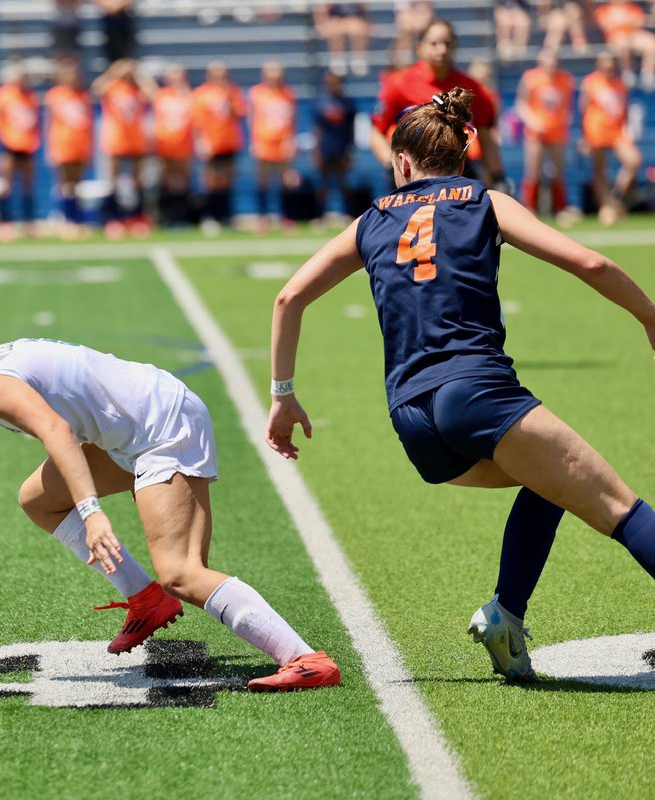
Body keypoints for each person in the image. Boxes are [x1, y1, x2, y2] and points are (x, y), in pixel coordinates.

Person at [265, 88, 655, 684]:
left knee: (550, 481)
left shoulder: (372, 218)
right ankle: (505, 613)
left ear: (401, 162)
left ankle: (506, 616)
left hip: (412, 419)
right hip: (476, 391)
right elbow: (591, 263)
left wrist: (282, 394)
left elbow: (289, 296)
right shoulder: (483, 200)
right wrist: (650, 317)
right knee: (621, 509)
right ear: (463, 155)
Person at [0, 288, 342, 693]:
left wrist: (93, 513)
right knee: (37, 498)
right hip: (137, 426)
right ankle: (145, 599)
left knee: (182, 572)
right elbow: (67, 427)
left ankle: (305, 658)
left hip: (160, 426)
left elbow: (56, 432)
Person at [371, 19, 504, 190]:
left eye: (447, 43)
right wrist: (392, 167)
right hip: (413, 171)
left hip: (457, 171)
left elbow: (486, 137)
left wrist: (498, 176)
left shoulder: (470, 88)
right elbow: (376, 133)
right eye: (434, 43)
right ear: (420, 47)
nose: (441, 50)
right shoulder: (398, 83)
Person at [92, 58, 154, 238]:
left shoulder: (137, 88)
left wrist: (139, 74)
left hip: (136, 140)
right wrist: (113, 73)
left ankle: (136, 217)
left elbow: (152, 93)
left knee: (137, 181)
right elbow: (97, 89)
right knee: (113, 181)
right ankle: (113, 218)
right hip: (116, 140)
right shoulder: (113, 86)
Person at [580, 52, 642, 226]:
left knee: (633, 161)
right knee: (600, 172)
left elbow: (625, 110)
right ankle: (605, 207)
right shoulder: (591, 82)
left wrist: (626, 128)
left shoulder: (620, 85)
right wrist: (585, 136)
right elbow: (584, 109)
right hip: (596, 129)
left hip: (616, 131)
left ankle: (616, 197)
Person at [0, 62, 41, 241]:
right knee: (6, 186)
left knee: (27, 186)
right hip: (8, 145)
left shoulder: (31, 95)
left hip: (27, 145)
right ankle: (4, 222)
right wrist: (4, 138)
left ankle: (29, 222)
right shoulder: (1, 95)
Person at [516, 50, 574, 217]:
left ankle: (560, 209)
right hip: (536, 132)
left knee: (558, 171)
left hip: (557, 131)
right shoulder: (531, 78)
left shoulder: (565, 80)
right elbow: (521, 104)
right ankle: (530, 208)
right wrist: (533, 120)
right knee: (533, 171)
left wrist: (564, 118)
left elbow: (567, 105)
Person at [191, 61, 246, 232]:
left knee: (228, 181)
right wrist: (201, 141)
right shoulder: (202, 93)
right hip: (212, 143)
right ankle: (211, 216)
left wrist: (228, 99)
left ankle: (226, 215)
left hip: (229, 141)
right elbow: (197, 121)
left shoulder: (232, 91)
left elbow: (239, 113)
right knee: (211, 182)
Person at [45, 58, 94, 241]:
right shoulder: (55, 95)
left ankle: (77, 219)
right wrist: (51, 148)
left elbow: (88, 124)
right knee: (64, 184)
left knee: (77, 185)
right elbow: (49, 124)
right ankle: (63, 218)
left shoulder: (84, 96)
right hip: (62, 145)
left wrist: (89, 147)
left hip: (79, 145)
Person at [248, 62, 298, 232]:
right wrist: (255, 141)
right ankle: (263, 218)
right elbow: (252, 119)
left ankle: (286, 217)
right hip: (264, 141)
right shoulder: (257, 93)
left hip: (282, 142)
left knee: (285, 182)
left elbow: (292, 120)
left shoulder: (288, 93)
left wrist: (290, 140)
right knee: (263, 182)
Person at [151, 64, 194, 228]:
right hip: (166, 143)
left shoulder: (188, 95)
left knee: (184, 180)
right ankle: (167, 216)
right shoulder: (161, 95)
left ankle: (184, 216)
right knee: (167, 180)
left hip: (183, 143)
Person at [313, 69, 357, 224]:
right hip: (326, 147)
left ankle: (348, 213)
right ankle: (320, 215)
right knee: (323, 183)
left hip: (342, 148)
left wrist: (351, 150)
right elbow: (317, 129)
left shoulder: (347, 103)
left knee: (344, 183)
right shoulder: (320, 102)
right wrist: (316, 151)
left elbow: (351, 128)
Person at [593, 0, 655, 90]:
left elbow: (639, 22)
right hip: (615, 36)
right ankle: (627, 73)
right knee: (623, 43)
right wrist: (625, 25)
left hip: (634, 34)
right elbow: (605, 25)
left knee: (650, 42)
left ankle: (647, 74)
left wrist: (626, 26)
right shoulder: (604, 9)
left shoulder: (633, 8)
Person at [314, 3, 371, 76]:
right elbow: (320, 8)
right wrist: (320, 24)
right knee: (335, 31)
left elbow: (364, 8)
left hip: (353, 18)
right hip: (334, 19)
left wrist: (369, 23)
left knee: (357, 29)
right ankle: (337, 61)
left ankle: (358, 60)